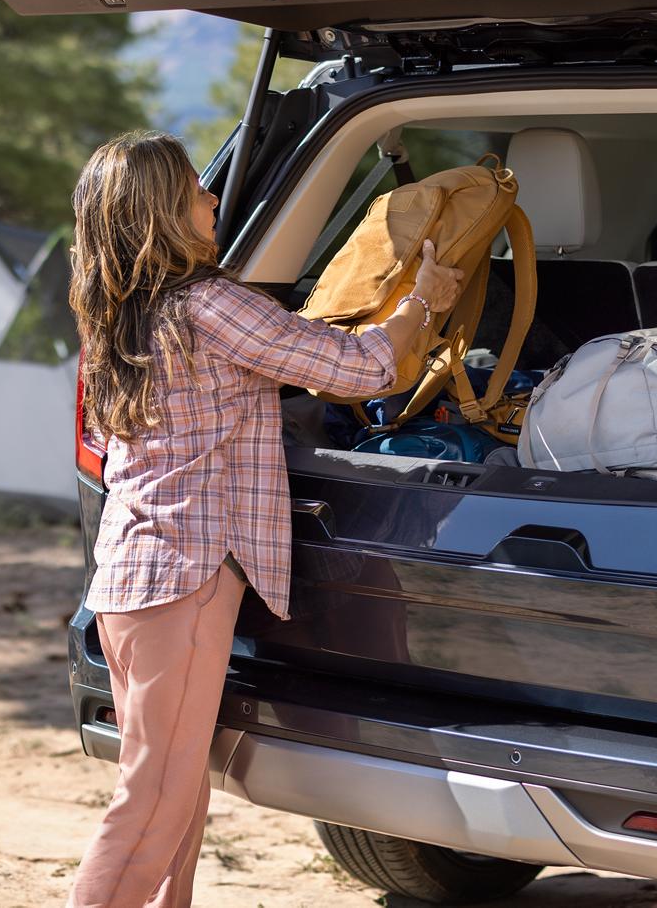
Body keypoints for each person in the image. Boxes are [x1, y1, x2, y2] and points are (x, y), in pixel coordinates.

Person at [65, 131, 463, 908]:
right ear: (161, 212)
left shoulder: (118, 316)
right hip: (183, 582)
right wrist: (422, 303)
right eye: (196, 190)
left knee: (174, 796)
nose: (213, 198)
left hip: (129, 580)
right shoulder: (211, 307)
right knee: (154, 801)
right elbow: (358, 367)